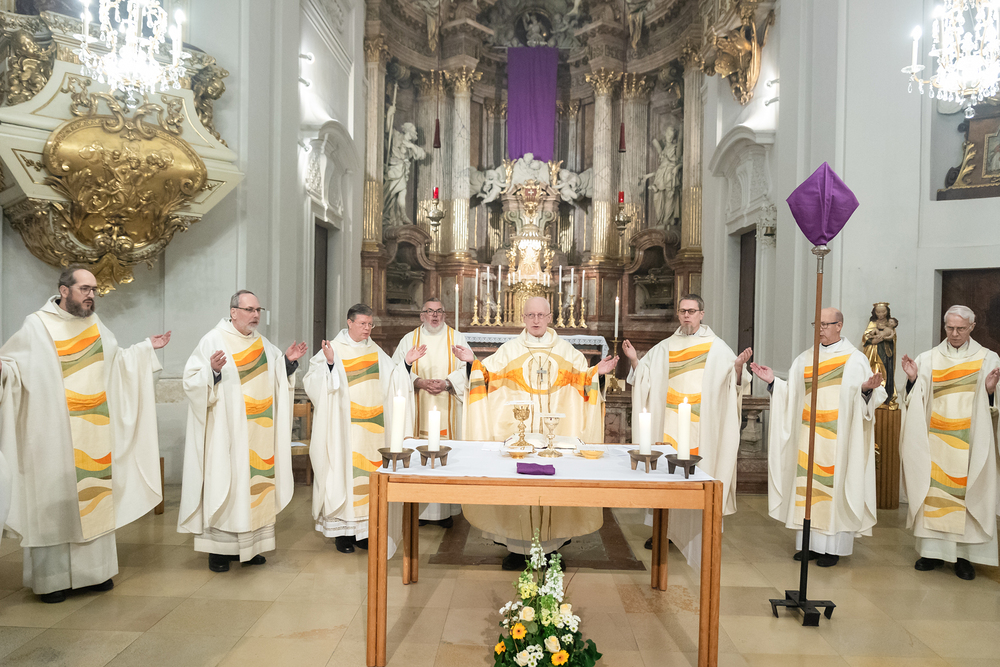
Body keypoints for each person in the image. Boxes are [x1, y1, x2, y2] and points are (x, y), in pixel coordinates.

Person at [0, 266, 169, 602]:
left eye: (94, 290)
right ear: (64, 290)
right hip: (52, 437)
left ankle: (95, 573)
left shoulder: (95, 325)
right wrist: (4, 372)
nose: (91, 295)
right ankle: (52, 581)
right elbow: (13, 368)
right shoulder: (37, 326)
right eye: (85, 289)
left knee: (94, 500)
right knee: (53, 503)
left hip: (93, 433)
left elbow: (117, 365)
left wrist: (145, 349)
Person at [452, 296, 618, 570]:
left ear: (550, 317)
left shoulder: (568, 352)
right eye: (531, 315)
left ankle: (551, 550)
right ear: (524, 318)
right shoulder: (509, 351)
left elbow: (584, 382)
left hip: (556, 439)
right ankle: (518, 551)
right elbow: (488, 378)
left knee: (555, 489)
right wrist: (473, 364)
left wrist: (596, 374)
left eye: (541, 315)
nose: (536, 320)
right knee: (520, 487)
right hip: (521, 438)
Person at [178, 290, 307, 572]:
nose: (255, 315)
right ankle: (219, 551)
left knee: (256, 488)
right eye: (249, 310)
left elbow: (276, 376)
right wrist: (211, 371)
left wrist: (287, 363)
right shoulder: (213, 340)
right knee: (228, 484)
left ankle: (250, 547)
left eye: (258, 310)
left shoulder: (263, 344)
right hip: (227, 433)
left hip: (260, 434)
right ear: (233, 311)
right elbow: (191, 381)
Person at [751, 307, 885, 567]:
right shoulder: (805, 359)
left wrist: (866, 390)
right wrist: (774, 382)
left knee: (834, 487)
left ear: (839, 326)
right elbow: (793, 395)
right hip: (808, 437)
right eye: (817, 324)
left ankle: (832, 548)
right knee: (808, 489)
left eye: (826, 324)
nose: (821, 329)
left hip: (838, 439)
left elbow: (870, 396)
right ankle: (809, 545)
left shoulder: (854, 359)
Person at [623, 294, 752, 562]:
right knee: (666, 474)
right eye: (682, 311)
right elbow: (645, 376)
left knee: (697, 475)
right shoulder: (665, 347)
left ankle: (698, 529)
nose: (686, 316)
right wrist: (635, 361)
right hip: (669, 424)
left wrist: (739, 368)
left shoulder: (717, 348)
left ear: (701, 314)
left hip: (702, 426)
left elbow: (734, 383)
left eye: (691, 311)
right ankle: (663, 530)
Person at [304, 304, 425, 554]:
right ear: (349, 323)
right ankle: (342, 535)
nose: (367, 329)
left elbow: (393, 379)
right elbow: (313, 383)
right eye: (362, 324)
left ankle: (363, 533)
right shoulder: (333, 349)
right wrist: (330, 365)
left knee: (369, 479)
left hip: (373, 431)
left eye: (370, 324)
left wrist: (405, 363)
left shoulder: (375, 350)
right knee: (343, 477)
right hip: (344, 430)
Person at [899, 305, 1000, 581]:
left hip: (970, 440)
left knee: (969, 494)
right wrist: (912, 380)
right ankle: (931, 553)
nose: (954, 334)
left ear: (972, 327)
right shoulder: (928, 358)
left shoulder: (988, 359)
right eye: (950, 328)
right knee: (934, 493)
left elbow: (994, 407)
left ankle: (965, 558)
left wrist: (990, 391)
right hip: (936, 440)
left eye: (960, 329)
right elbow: (914, 400)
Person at [392, 298, 468, 528]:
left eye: (439, 311)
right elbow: (395, 371)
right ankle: (419, 510)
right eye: (430, 311)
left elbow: (468, 368)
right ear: (422, 315)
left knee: (446, 455)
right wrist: (418, 382)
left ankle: (444, 511)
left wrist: (448, 383)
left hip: (448, 403)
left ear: (444, 314)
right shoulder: (409, 339)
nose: (434, 315)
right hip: (418, 404)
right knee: (419, 453)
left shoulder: (457, 338)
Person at [861, 302, 897, 407]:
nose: (881, 314)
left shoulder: (890, 323)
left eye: (883, 312)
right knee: (874, 372)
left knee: (885, 373)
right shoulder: (873, 323)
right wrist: (872, 341)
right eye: (878, 312)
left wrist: (886, 338)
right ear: (874, 312)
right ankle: (874, 399)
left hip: (886, 353)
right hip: (874, 352)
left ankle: (886, 398)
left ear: (887, 312)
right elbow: (866, 335)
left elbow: (893, 337)